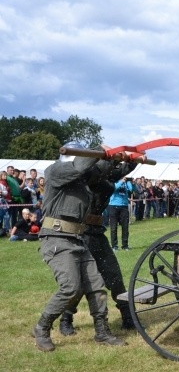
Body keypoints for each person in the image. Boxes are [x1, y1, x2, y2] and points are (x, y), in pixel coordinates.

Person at [32, 142, 125, 352]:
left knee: (96, 286)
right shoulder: (55, 171)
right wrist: (102, 153)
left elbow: (100, 171)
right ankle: (42, 327)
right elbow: (81, 167)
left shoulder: (82, 179)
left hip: (77, 238)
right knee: (70, 288)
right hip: (56, 239)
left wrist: (115, 158)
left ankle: (102, 332)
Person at [59, 160, 137, 336]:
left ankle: (127, 316)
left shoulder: (105, 175)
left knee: (114, 275)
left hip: (96, 233)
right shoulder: (84, 176)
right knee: (79, 280)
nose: (110, 168)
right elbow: (98, 175)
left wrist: (131, 162)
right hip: (79, 234)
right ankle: (66, 318)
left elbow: (114, 173)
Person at [108, 175, 133, 250]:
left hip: (124, 206)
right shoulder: (114, 181)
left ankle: (125, 245)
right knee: (113, 227)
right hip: (113, 206)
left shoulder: (126, 182)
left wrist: (128, 181)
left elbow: (131, 190)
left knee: (125, 227)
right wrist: (122, 181)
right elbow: (114, 188)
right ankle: (114, 246)